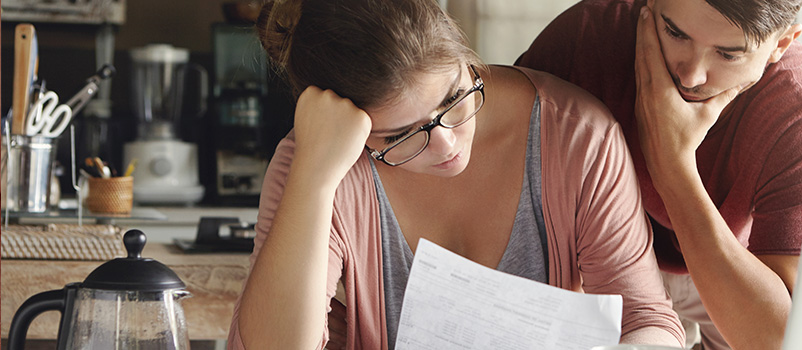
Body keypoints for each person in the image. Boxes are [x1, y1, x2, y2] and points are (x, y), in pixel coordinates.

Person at [227, 0, 686, 349]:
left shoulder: (575, 134)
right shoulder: (314, 162)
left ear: (466, 58)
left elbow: (648, 320)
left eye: (453, 99)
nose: (447, 144)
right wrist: (314, 177)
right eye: (400, 136)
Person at [515, 0, 802, 349]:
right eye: (675, 33)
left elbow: (779, 340)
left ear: (780, 44)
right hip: (599, 257)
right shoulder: (585, 38)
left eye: (727, 54)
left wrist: (672, 166)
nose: (691, 75)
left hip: (733, 259)